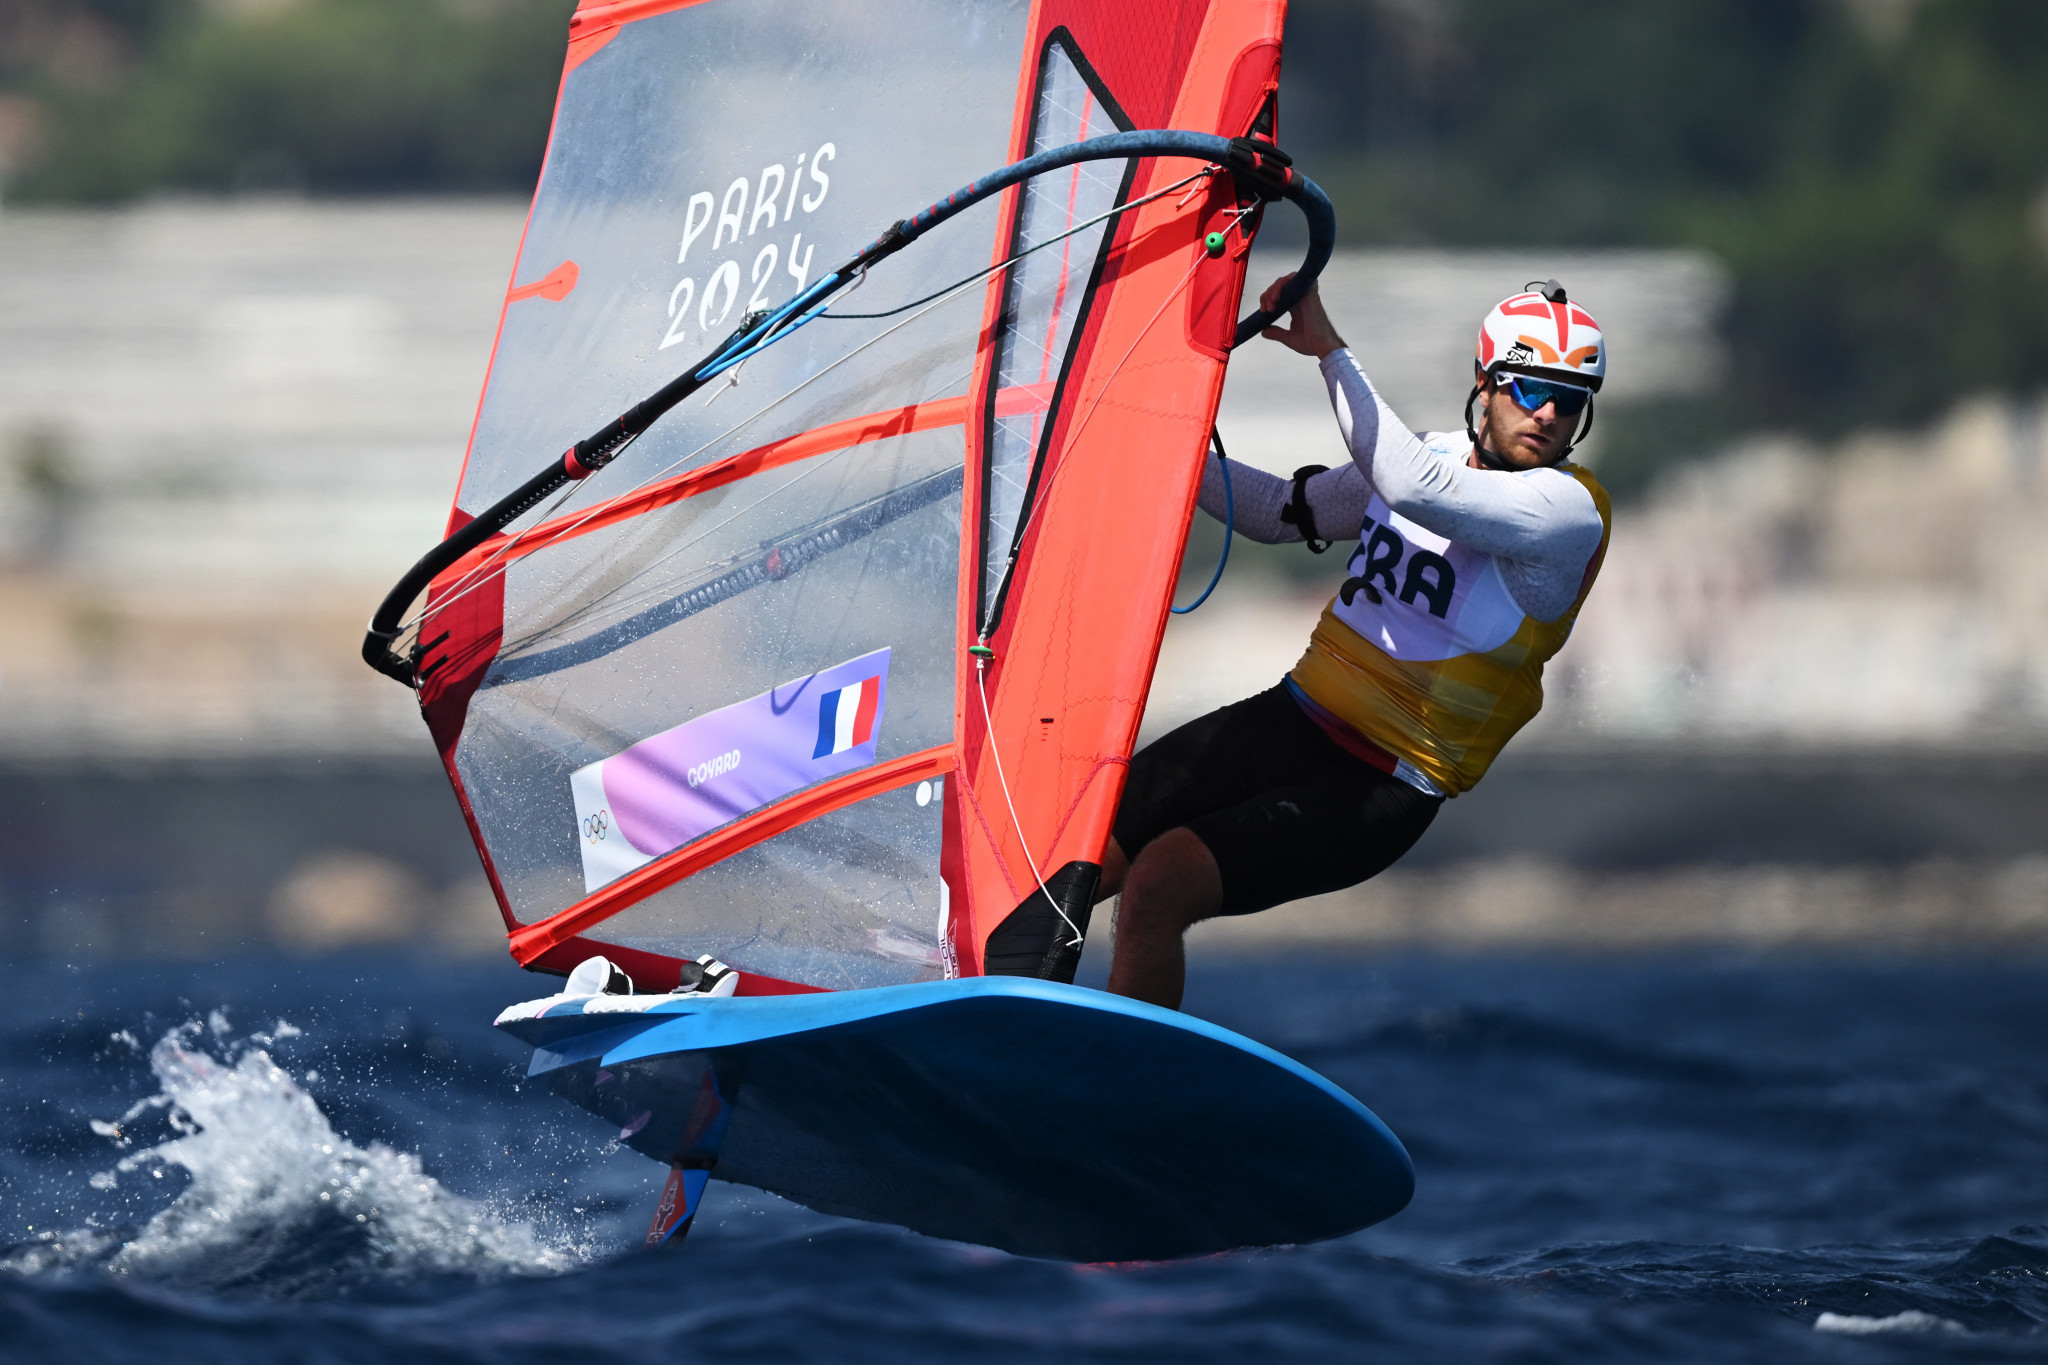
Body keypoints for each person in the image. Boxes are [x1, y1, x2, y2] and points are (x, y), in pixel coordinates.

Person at [1099, 275, 1613, 1008]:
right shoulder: (1424, 458)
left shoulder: (1565, 512)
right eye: (1530, 388)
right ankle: (986, 1002)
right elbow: (1278, 511)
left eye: (1571, 399)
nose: (1551, 414)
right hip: (1289, 718)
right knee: (1083, 844)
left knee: (1159, 881)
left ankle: (1108, 1091)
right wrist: (1156, 431)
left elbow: (1414, 490)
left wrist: (1329, 351)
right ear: (1486, 384)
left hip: (1379, 783)